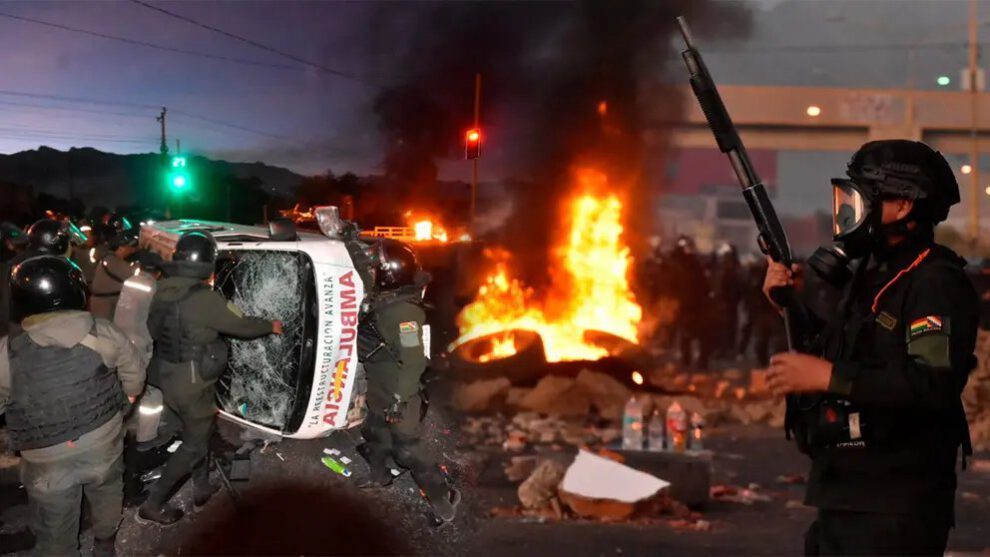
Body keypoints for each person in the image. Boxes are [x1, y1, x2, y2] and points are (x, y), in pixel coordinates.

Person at [763, 140, 978, 556]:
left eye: (860, 199)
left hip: (895, 505)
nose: (849, 213)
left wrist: (828, 377)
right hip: (846, 492)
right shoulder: (872, 273)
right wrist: (788, 305)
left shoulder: (933, 281)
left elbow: (932, 384)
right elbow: (844, 351)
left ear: (902, 205)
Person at [0, 255, 145, 556]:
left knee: (54, 524)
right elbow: (134, 376)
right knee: (107, 492)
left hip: (45, 456)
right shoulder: (102, 331)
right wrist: (126, 401)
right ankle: (105, 544)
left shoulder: (7, 351)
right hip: (102, 438)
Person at [138, 231, 281, 525]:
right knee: (194, 442)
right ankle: (153, 504)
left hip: (165, 373)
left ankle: (201, 487)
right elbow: (240, 326)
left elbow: (152, 329)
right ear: (206, 263)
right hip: (192, 382)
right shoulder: (203, 298)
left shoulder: (162, 288)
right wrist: (271, 325)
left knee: (195, 433)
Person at [357, 238, 460, 523]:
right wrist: (344, 235)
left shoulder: (404, 313)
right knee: (374, 432)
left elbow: (414, 361)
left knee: (407, 449)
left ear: (389, 274)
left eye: (378, 268)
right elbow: (363, 266)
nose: (373, 272)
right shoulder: (384, 296)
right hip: (379, 385)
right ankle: (379, 478)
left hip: (400, 391)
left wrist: (400, 400)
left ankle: (443, 500)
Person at [89, 228, 140, 320]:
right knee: (104, 330)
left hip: (103, 304)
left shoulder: (109, 259)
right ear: (121, 248)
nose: (132, 250)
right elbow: (133, 275)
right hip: (104, 307)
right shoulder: (113, 261)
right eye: (130, 248)